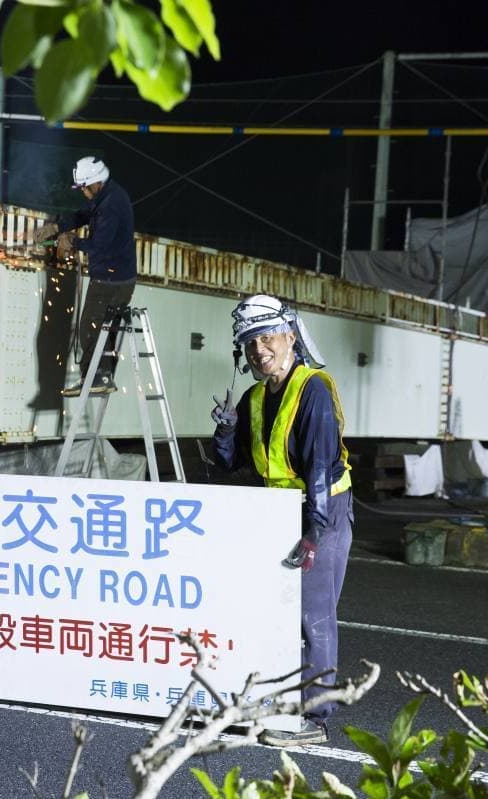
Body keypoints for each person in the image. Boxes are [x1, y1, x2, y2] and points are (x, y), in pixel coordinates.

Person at [209, 294, 353, 746]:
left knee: (313, 615)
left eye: (268, 338)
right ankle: (277, 701)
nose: (260, 350)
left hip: (321, 512)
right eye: (251, 343)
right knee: (273, 614)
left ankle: (316, 717)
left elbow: (319, 464)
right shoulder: (255, 397)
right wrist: (226, 429)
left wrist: (313, 530)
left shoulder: (313, 390)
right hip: (275, 515)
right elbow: (230, 463)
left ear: (290, 337)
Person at [33, 156, 136, 396]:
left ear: (95, 183)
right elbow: (83, 214)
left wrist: (73, 242)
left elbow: (101, 246)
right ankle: (104, 376)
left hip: (110, 281)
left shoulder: (110, 206)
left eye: (83, 188)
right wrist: (58, 227)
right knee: (105, 328)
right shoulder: (108, 194)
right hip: (122, 278)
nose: (82, 192)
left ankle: (95, 378)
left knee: (89, 326)